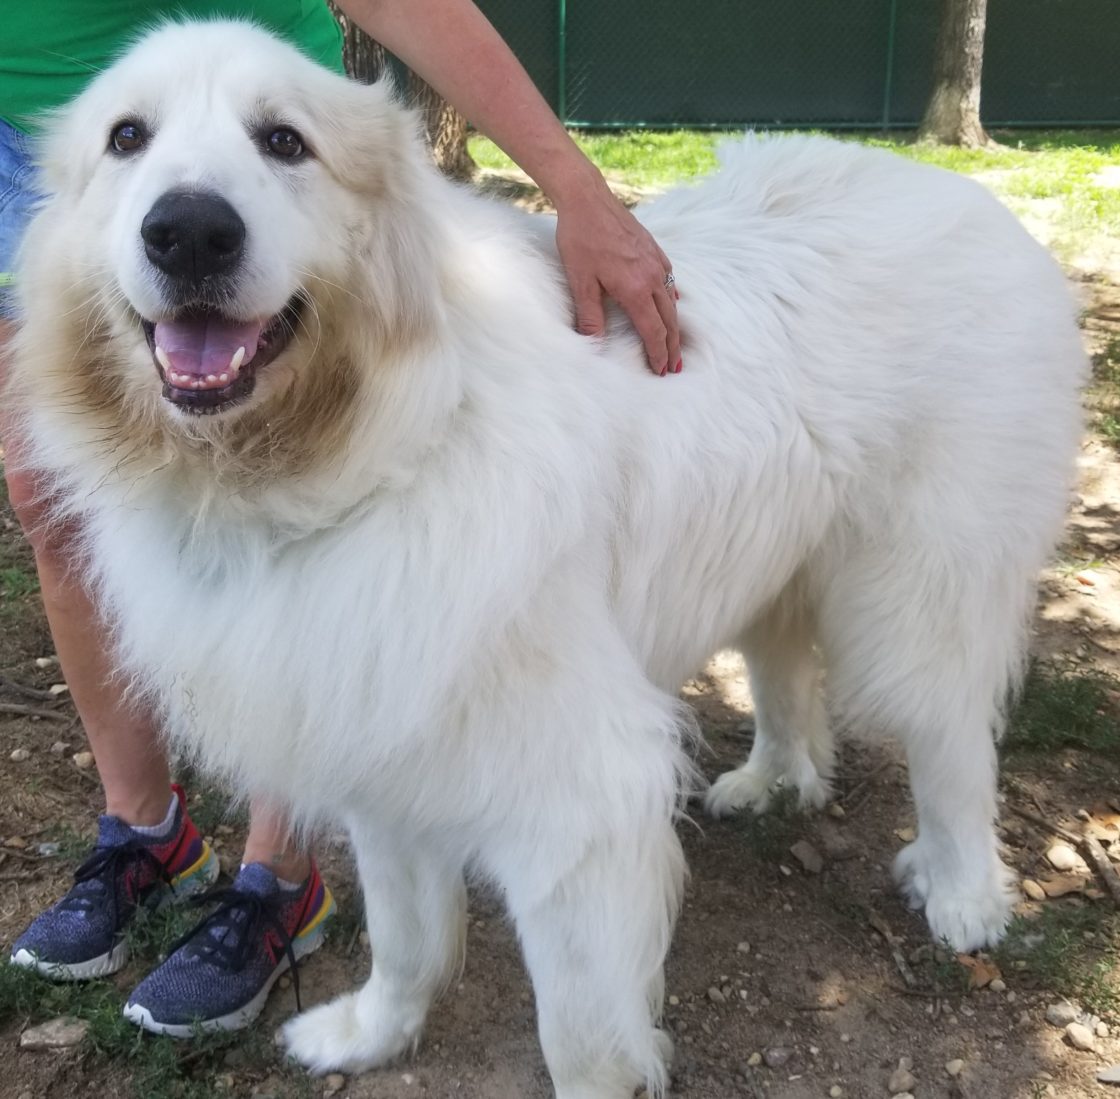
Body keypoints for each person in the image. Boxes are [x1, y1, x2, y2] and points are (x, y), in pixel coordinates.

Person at [1, 0, 680, 1037]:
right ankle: (146, 832)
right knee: (59, 496)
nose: (188, 221)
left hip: (287, 120)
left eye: (275, 143)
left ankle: (279, 881)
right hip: (25, 129)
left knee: (328, 544)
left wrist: (572, 183)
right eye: (134, 139)